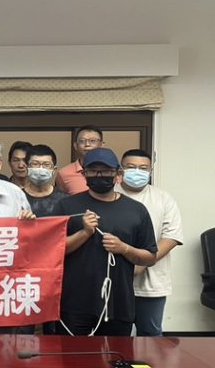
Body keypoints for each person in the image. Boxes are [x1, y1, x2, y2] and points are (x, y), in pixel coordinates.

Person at [52, 148, 157, 336]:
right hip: (74, 303)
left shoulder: (136, 210)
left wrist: (124, 248)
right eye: (93, 171)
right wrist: (85, 233)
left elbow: (149, 257)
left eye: (106, 171)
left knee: (116, 354)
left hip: (118, 302)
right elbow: (53, 252)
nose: (99, 176)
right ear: (84, 174)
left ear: (118, 174)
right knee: (72, 354)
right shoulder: (66, 206)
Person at [117, 149, 184, 336]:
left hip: (151, 283)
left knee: (151, 336)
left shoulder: (163, 198)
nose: (137, 171)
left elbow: (172, 237)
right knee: (114, 337)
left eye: (143, 168)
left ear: (150, 171)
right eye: (131, 167)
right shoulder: (109, 195)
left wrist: (143, 261)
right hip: (114, 280)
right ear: (120, 170)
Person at [22, 144, 67, 217]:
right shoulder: (17, 197)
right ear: (26, 168)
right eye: (35, 164)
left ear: (54, 170)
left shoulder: (64, 199)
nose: (41, 168)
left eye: (46, 164)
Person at [56, 125, 104, 194]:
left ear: (101, 144)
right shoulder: (63, 173)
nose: (87, 144)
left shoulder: (111, 171)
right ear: (75, 146)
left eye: (93, 141)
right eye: (82, 141)